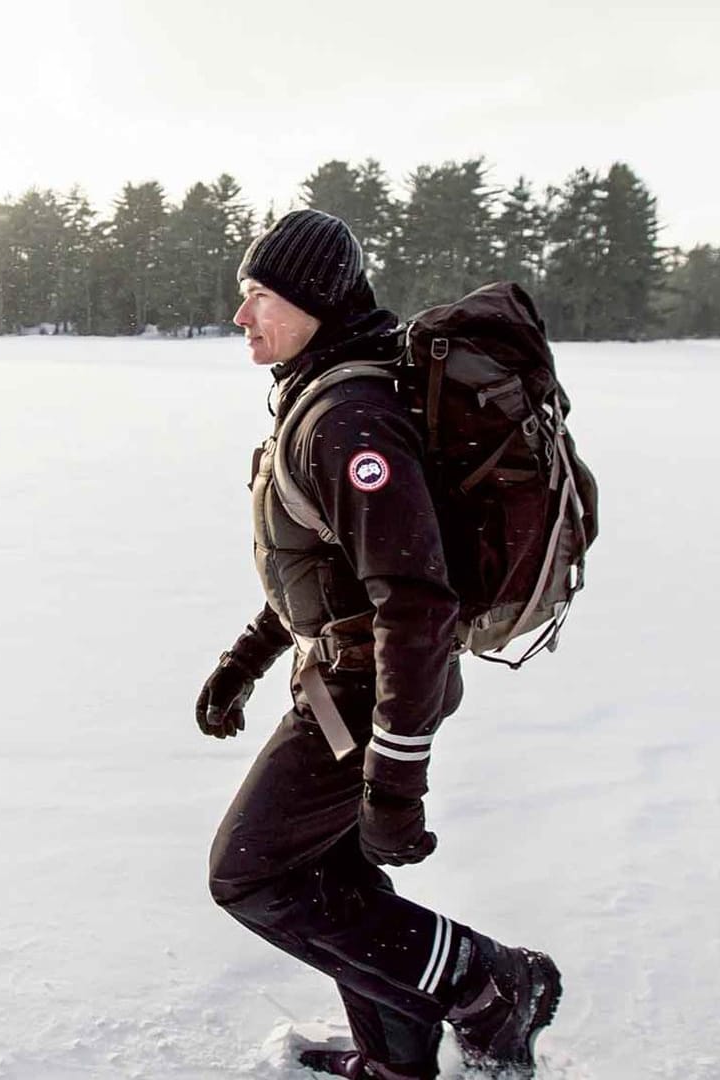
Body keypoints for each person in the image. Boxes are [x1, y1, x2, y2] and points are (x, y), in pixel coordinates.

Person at [196, 209, 561, 1079]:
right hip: (343, 682)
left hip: (370, 697)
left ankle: (491, 985)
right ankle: (397, 1063)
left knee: (252, 876)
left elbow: (416, 605)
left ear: (314, 301)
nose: (240, 316)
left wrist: (395, 780)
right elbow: (332, 575)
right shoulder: (327, 394)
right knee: (339, 886)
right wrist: (245, 660)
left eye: (258, 297)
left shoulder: (348, 419)